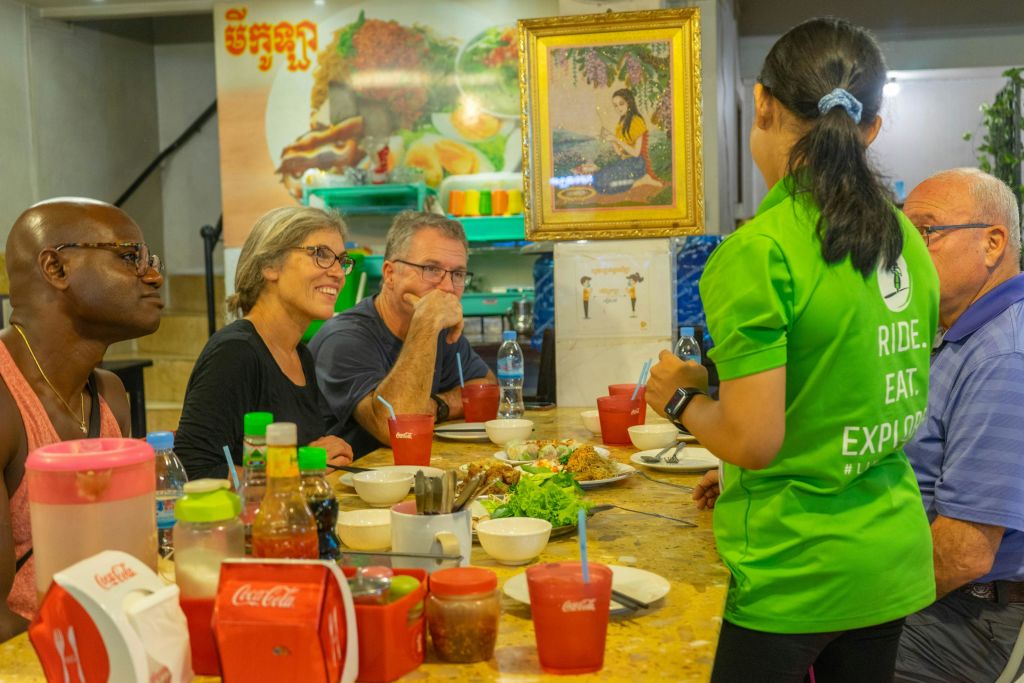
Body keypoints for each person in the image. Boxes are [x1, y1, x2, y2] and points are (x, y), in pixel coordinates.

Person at [644, 18, 939, 681]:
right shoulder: (903, 237)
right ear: (872, 129)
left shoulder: (760, 249)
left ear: (763, 105)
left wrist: (680, 398)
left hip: (793, 569)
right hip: (886, 554)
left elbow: (753, 439)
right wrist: (720, 375)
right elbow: (843, 354)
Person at [0, 198, 164, 641]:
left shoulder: (109, 395)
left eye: (150, 260)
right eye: (131, 257)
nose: (153, 275)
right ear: (56, 269)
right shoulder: (4, 400)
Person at [894, 168, 1024, 683]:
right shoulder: (955, 334)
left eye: (925, 233)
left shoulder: (1002, 355)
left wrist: (856, 596)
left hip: (969, 617)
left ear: (993, 243)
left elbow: (963, 554)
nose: (903, 255)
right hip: (942, 597)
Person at [174, 206, 354, 480]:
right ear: (269, 265)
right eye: (321, 255)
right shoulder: (235, 353)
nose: (339, 273)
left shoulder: (300, 355)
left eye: (341, 261)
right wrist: (300, 467)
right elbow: (193, 469)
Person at [310, 211, 495, 458]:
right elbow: (398, 429)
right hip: (352, 487)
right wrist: (426, 325)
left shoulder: (437, 328)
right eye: (431, 268)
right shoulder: (343, 338)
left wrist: (437, 406)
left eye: (458, 274)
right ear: (389, 274)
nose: (448, 288)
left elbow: (486, 390)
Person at [593, 88, 662, 194]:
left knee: (604, 186)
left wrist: (617, 139)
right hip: (625, 162)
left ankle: (643, 180)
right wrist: (611, 140)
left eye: (621, 104)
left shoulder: (637, 121)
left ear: (629, 103)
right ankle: (637, 181)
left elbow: (636, 153)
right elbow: (620, 153)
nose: (618, 108)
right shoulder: (621, 123)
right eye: (615, 105)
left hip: (636, 164)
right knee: (596, 180)